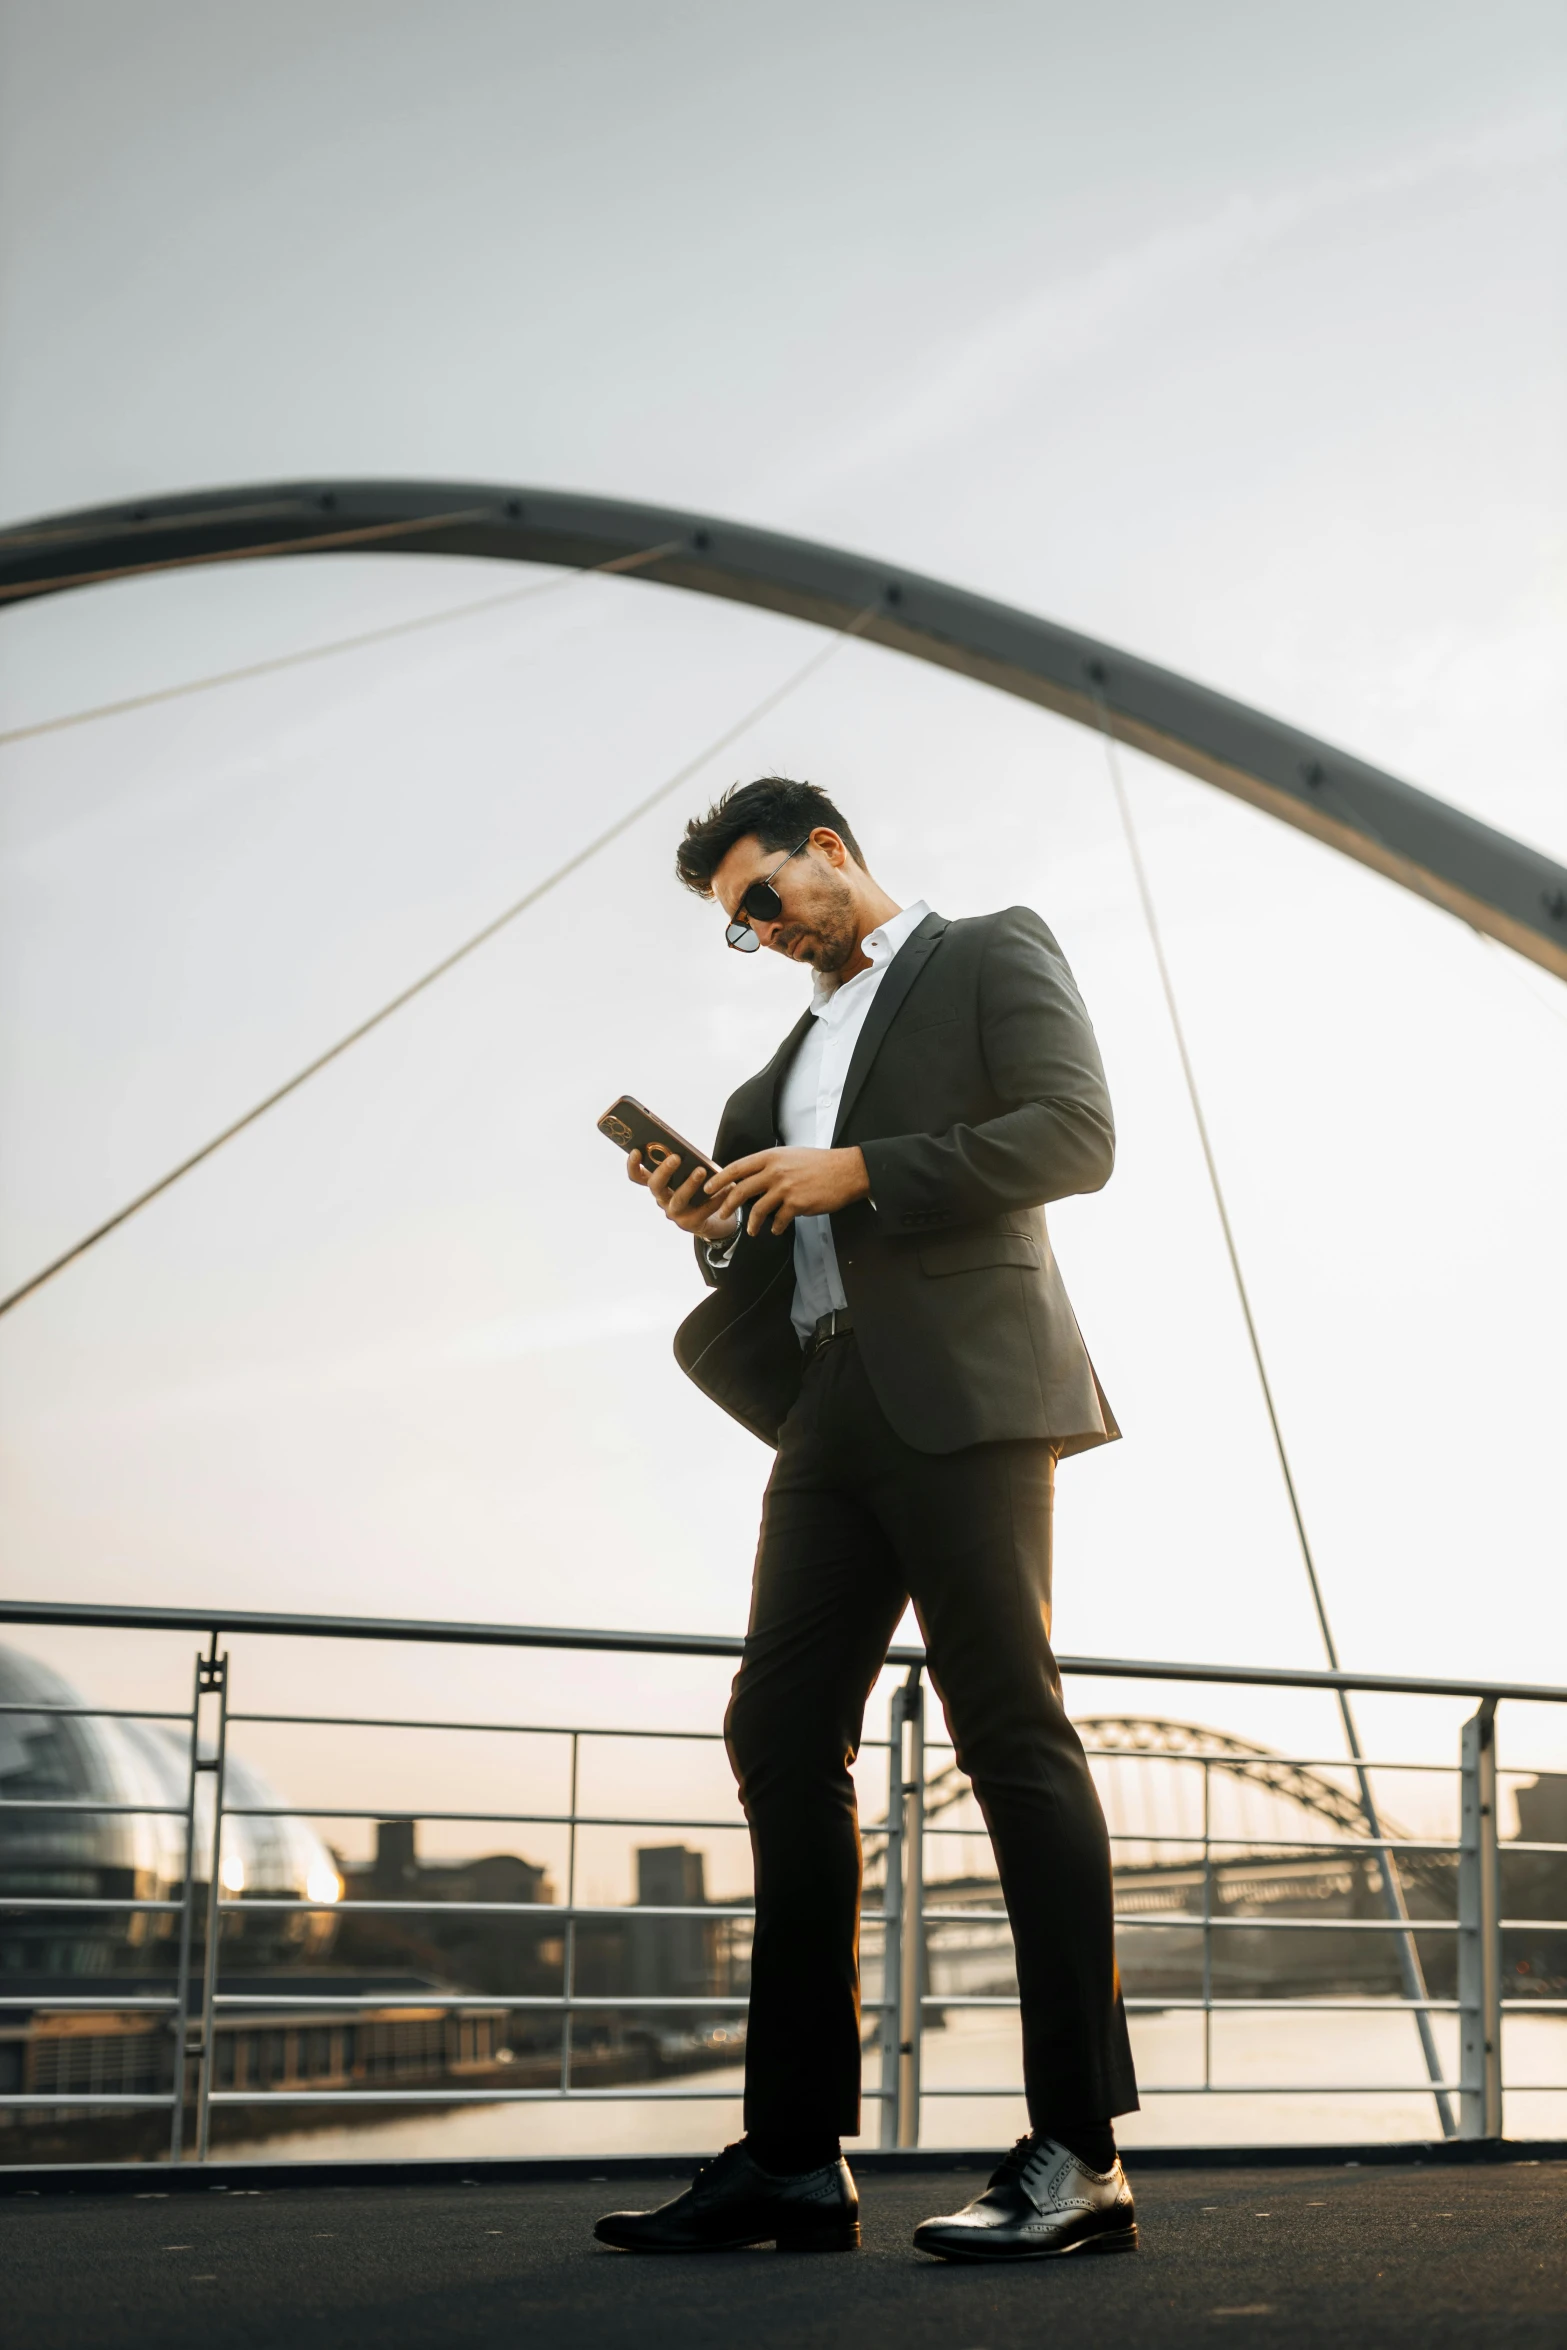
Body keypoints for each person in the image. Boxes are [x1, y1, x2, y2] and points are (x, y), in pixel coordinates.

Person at [594, 777, 1138, 2263]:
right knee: (776, 1734)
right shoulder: (772, 1070)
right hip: (827, 1410)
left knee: (1010, 1738)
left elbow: (1074, 1134)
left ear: (829, 850)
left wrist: (863, 1171)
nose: (758, 931)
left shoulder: (984, 953)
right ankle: (788, 2157)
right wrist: (716, 1217)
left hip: (967, 1392)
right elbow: (761, 1262)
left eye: (764, 897)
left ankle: (1079, 2155)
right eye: (735, 925)